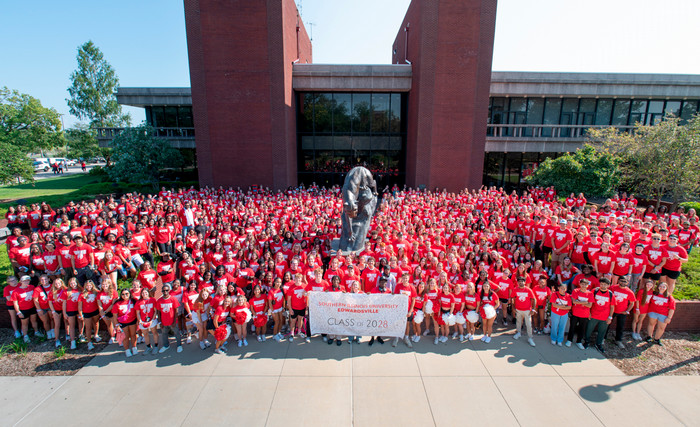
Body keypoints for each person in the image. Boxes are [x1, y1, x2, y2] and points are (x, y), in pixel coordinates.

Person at [584, 277, 614, 354]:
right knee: (589, 329)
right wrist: (589, 312)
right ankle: (587, 341)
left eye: (605, 284)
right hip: (594, 314)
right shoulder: (595, 291)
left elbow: (612, 306)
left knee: (602, 331)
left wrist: (610, 317)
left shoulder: (610, 294)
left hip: (604, 316)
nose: (602, 286)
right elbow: (590, 302)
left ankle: (598, 344)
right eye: (601, 284)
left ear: (608, 285)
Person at [608, 275, 636, 348]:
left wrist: (627, 311)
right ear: (618, 280)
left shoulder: (629, 292)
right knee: (607, 324)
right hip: (612, 310)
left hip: (622, 312)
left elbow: (632, 303)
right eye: (621, 280)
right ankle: (603, 338)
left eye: (625, 281)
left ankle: (618, 340)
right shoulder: (613, 288)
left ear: (627, 282)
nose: (623, 282)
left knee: (620, 327)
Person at [645, 281, 676, 346]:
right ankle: (649, 337)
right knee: (651, 324)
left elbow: (672, 308)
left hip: (663, 314)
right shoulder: (654, 294)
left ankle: (656, 339)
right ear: (658, 287)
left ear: (666, 288)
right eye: (660, 286)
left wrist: (669, 318)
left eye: (663, 287)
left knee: (661, 327)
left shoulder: (669, 297)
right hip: (653, 312)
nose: (662, 288)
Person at [12, 275, 41, 343]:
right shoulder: (16, 291)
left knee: (34, 321)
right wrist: (18, 312)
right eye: (25, 280)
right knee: (24, 323)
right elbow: (15, 303)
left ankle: (36, 332)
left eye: (28, 280)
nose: (27, 282)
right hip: (23, 309)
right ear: (21, 281)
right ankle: (25, 336)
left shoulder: (31, 287)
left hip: (32, 307)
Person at [156, 283, 183, 353]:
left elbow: (176, 311)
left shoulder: (173, 299)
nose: (165, 292)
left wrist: (174, 321)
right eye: (163, 291)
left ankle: (179, 345)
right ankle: (166, 345)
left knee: (177, 333)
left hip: (172, 321)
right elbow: (158, 312)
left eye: (166, 290)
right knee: (164, 334)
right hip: (164, 322)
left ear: (169, 291)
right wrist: (160, 322)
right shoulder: (159, 300)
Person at [510, 276, 537, 347]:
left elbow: (534, 299)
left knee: (528, 324)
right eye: (519, 281)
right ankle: (518, 333)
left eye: (522, 281)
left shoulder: (528, 290)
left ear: (524, 282)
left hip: (527, 310)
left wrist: (533, 309)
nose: (521, 283)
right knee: (518, 322)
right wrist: (513, 307)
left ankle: (530, 337)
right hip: (518, 309)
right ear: (517, 282)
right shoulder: (515, 289)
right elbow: (512, 298)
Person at [566, 278, 592, 349]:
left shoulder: (590, 294)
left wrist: (579, 301)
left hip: (585, 314)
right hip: (575, 313)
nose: (583, 286)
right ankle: (569, 340)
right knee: (572, 327)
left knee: (582, 328)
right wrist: (585, 302)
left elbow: (590, 305)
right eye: (582, 284)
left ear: (587, 285)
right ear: (580, 284)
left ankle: (579, 342)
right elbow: (574, 302)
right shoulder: (575, 291)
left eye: (585, 284)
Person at [77, 280, 100, 351]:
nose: (89, 287)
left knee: (96, 323)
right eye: (87, 285)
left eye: (90, 285)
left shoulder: (96, 292)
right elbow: (79, 306)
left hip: (95, 311)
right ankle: (89, 342)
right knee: (88, 327)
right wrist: (81, 314)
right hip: (87, 312)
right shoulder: (82, 294)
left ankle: (96, 335)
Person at [114, 289, 137, 357]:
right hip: (123, 323)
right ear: (121, 295)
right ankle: (127, 350)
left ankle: (134, 347)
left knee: (133, 335)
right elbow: (115, 315)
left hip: (133, 321)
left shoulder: (133, 301)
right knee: (125, 337)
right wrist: (116, 325)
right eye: (123, 294)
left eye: (127, 293)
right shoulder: (117, 304)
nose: (125, 295)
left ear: (130, 294)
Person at [136, 288, 159, 355]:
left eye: (146, 293)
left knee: (154, 332)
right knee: (145, 334)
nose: (144, 294)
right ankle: (148, 347)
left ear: (148, 293)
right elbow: (137, 313)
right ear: (141, 294)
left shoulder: (153, 300)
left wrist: (152, 320)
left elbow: (155, 311)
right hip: (143, 321)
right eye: (143, 293)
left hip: (152, 320)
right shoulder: (139, 302)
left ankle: (156, 346)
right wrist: (140, 321)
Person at [62, 277, 81, 350]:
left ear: (77, 283)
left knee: (80, 322)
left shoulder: (80, 289)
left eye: (74, 282)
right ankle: (72, 341)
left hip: (79, 310)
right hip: (70, 310)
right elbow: (64, 303)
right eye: (71, 283)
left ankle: (81, 334)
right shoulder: (66, 291)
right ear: (69, 284)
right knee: (71, 325)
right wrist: (64, 312)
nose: (73, 284)